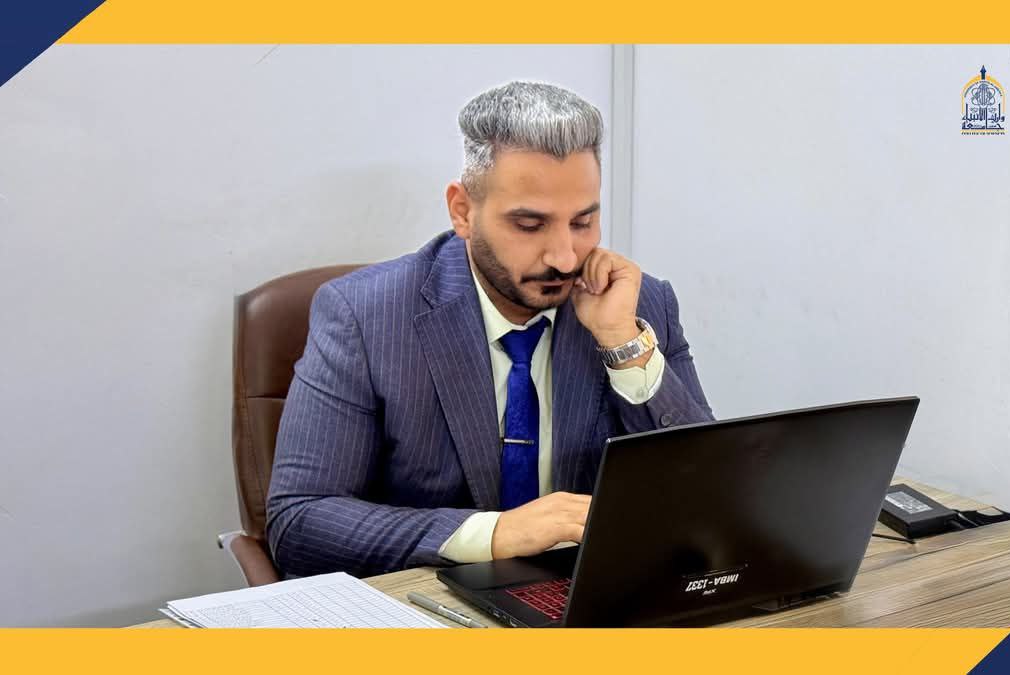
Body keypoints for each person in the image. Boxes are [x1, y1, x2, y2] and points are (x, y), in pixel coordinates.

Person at [266, 81, 714, 578]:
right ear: (462, 211)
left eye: (582, 222)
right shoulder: (365, 315)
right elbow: (299, 523)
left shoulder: (637, 304)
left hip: (590, 597)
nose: (565, 257)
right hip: (430, 602)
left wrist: (622, 344)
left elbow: (708, 498)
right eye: (529, 225)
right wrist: (495, 535)